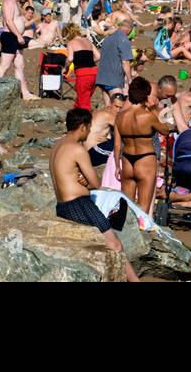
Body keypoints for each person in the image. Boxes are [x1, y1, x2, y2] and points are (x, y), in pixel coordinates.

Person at [51, 107, 139, 282]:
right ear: (83, 127)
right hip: (80, 204)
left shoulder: (57, 146)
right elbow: (96, 183)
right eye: (89, 128)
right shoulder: (77, 149)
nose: (90, 131)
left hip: (62, 206)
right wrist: (88, 180)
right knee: (114, 244)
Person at [115, 77, 169, 215]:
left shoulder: (120, 116)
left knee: (126, 209)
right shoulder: (147, 116)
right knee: (143, 211)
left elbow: (117, 143)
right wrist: (154, 109)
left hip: (126, 160)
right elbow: (165, 131)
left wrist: (116, 165)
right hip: (145, 160)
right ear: (145, 95)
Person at [0, 0, 37, 99]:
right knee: (5, 65)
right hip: (10, 36)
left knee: (20, 65)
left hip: (14, 36)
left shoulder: (14, 2)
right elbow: (9, 21)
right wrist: (19, 36)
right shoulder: (9, 2)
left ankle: (25, 93)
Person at [96, 17, 133, 99]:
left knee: (109, 107)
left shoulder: (108, 38)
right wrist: (130, 79)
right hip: (113, 79)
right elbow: (125, 62)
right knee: (117, 106)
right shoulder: (123, 39)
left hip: (102, 77)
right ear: (129, 30)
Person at [65, 23, 99, 111]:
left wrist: (65, 68)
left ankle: (88, 122)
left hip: (83, 75)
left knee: (84, 103)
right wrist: (88, 62)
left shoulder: (71, 43)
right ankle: (74, 116)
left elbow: (70, 58)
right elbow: (98, 56)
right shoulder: (87, 41)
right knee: (82, 98)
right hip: (95, 73)